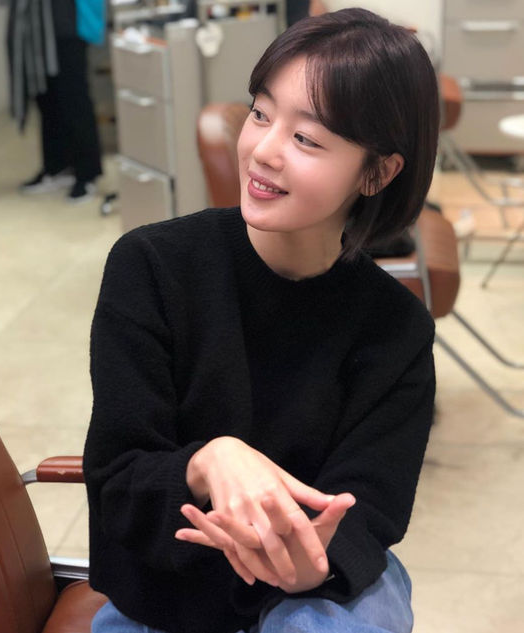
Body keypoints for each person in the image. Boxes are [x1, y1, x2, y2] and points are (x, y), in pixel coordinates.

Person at [83, 8, 439, 633]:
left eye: (307, 139)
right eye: (260, 114)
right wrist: (206, 462)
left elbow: (368, 509)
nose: (264, 152)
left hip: (315, 595)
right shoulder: (153, 266)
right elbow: (119, 480)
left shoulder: (395, 327)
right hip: (169, 596)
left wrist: (308, 566)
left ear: (378, 172)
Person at [8, 0, 105, 202]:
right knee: (47, 100)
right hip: (35, 31)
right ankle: (57, 166)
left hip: (68, 26)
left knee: (74, 99)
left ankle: (87, 173)